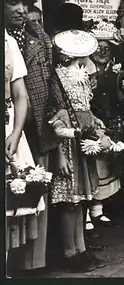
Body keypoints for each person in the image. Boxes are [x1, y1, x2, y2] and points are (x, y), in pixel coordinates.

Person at [4, 0, 64, 274]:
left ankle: (34, 263)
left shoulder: (38, 37)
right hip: (10, 120)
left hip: (36, 121)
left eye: (25, 4)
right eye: (12, 2)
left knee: (35, 191)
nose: (20, 10)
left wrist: (58, 113)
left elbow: (51, 79)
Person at [48, 30, 106, 273]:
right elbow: (56, 117)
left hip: (83, 136)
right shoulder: (59, 77)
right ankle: (69, 252)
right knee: (69, 202)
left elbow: (84, 108)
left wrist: (95, 119)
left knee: (81, 201)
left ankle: (81, 249)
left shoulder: (81, 77)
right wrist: (60, 152)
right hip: (68, 141)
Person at [5, 30, 46, 278]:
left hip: (8, 127)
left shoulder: (8, 42)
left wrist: (16, 133)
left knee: (10, 203)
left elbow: (20, 95)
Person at [88, 36, 123, 228]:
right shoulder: (87, 70)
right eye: (98, 48)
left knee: (107, 163)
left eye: (106, 48)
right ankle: (92, 210)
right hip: (93, 119)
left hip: (111, 119)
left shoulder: (115, 70)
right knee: (94, 163)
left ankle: (100, 209)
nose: (102, 51)